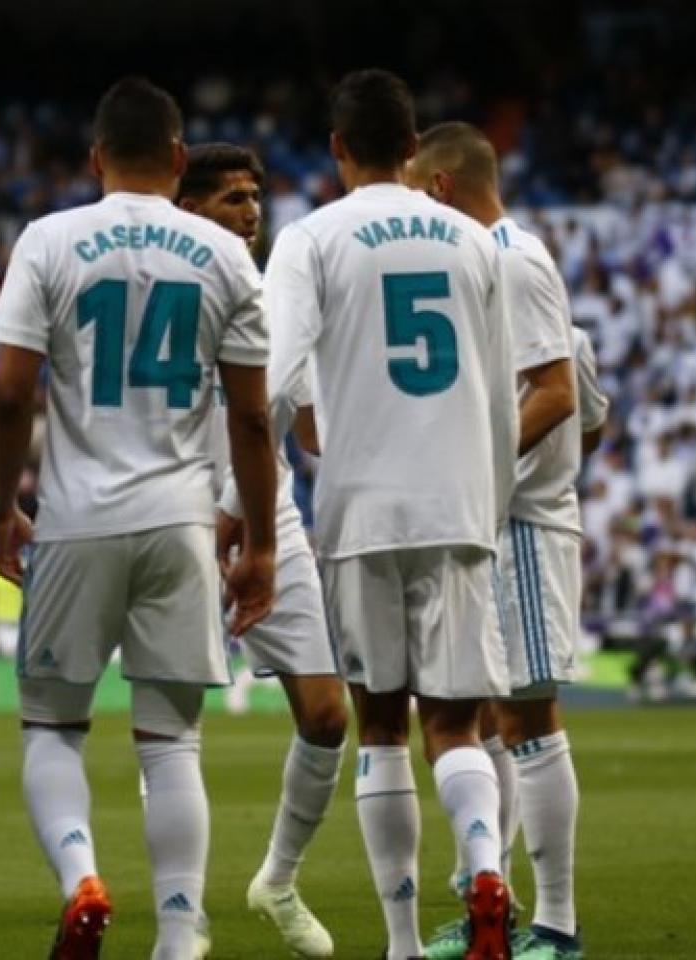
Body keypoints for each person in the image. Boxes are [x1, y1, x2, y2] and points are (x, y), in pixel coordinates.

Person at [0, 78, 280, 960]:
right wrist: (260, 543)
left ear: (95, 159)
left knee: (51, 728)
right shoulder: (225, 256)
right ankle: (182, 931)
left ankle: (82, 877)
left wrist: (4, 505)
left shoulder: (49, 239)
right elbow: (254, 418)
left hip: (75, 519)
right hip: (184, 521)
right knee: (170, 742)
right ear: (181, 160)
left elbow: (7, 395)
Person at [263, 70, 519, 960]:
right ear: (415, 149)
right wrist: (487, 505)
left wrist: (244, 502)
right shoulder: (477, 242)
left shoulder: (310, 239)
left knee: (380, 730)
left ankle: (405, 945)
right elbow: (499, 398)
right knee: (455, 726)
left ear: (336, 148)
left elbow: (274, 378)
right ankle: (487, 870)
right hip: (459, 506)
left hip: (362, 510)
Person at [407, 122, 608, 960]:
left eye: (419, 193)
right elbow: (592, 409)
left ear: (443, 188)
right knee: (487, 709)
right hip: (499, 514)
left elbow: (557, 397)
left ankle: (557, 925)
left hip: (516, 519)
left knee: (528, 709)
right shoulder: (494, 259)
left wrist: (492, 472)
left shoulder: (510, 257)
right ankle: (497, 903)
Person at [176, 142, 347, 959]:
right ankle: (184, 909)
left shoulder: (281, 305)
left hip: (264, 521)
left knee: (327, 713)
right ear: (186, 211)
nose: (249, 213)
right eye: (230, 200)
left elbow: (308, 430)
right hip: (176, 520)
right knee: (169, 723)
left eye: (254, 199)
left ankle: (277, 879)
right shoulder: (160, 302)